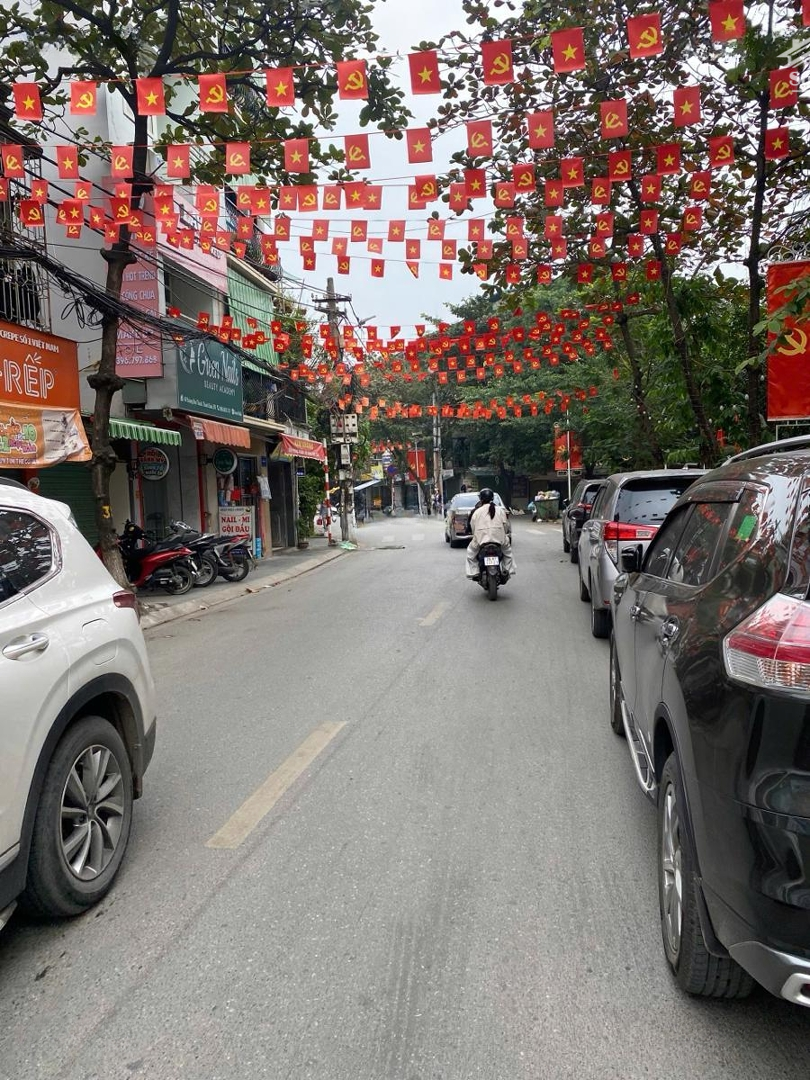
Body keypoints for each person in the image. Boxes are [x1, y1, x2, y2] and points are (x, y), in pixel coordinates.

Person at [465, 488, 515, 579]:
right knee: (508, 553)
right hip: (499, 540)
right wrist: (502, 534)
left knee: (470, 553)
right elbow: (506, 526)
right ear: (492, 498)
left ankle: (474, 572)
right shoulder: (500, 510)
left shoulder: (477, 512)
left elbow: (473, 527)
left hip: (481, 541)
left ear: (481, 499)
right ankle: (507, 571)